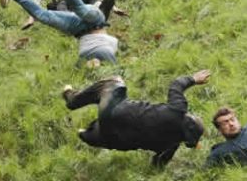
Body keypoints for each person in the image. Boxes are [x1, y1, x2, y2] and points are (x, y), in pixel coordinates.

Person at [61, 70, 210, 167]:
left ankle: (72, 99)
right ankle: (85, 134)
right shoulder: (170, 145)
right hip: (114, 138)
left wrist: (193, 79)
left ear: (187, 119)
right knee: (95, 135)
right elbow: (158, 165)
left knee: (115, 82)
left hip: (113, 111)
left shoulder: (178, 111)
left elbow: (176, 86)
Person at [0, 0, 118, 64]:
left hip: (77, 28)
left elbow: (83, 65)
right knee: (81, 10)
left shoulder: (85, 57)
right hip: (97, 21)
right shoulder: (111, 45)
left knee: (43, 16)